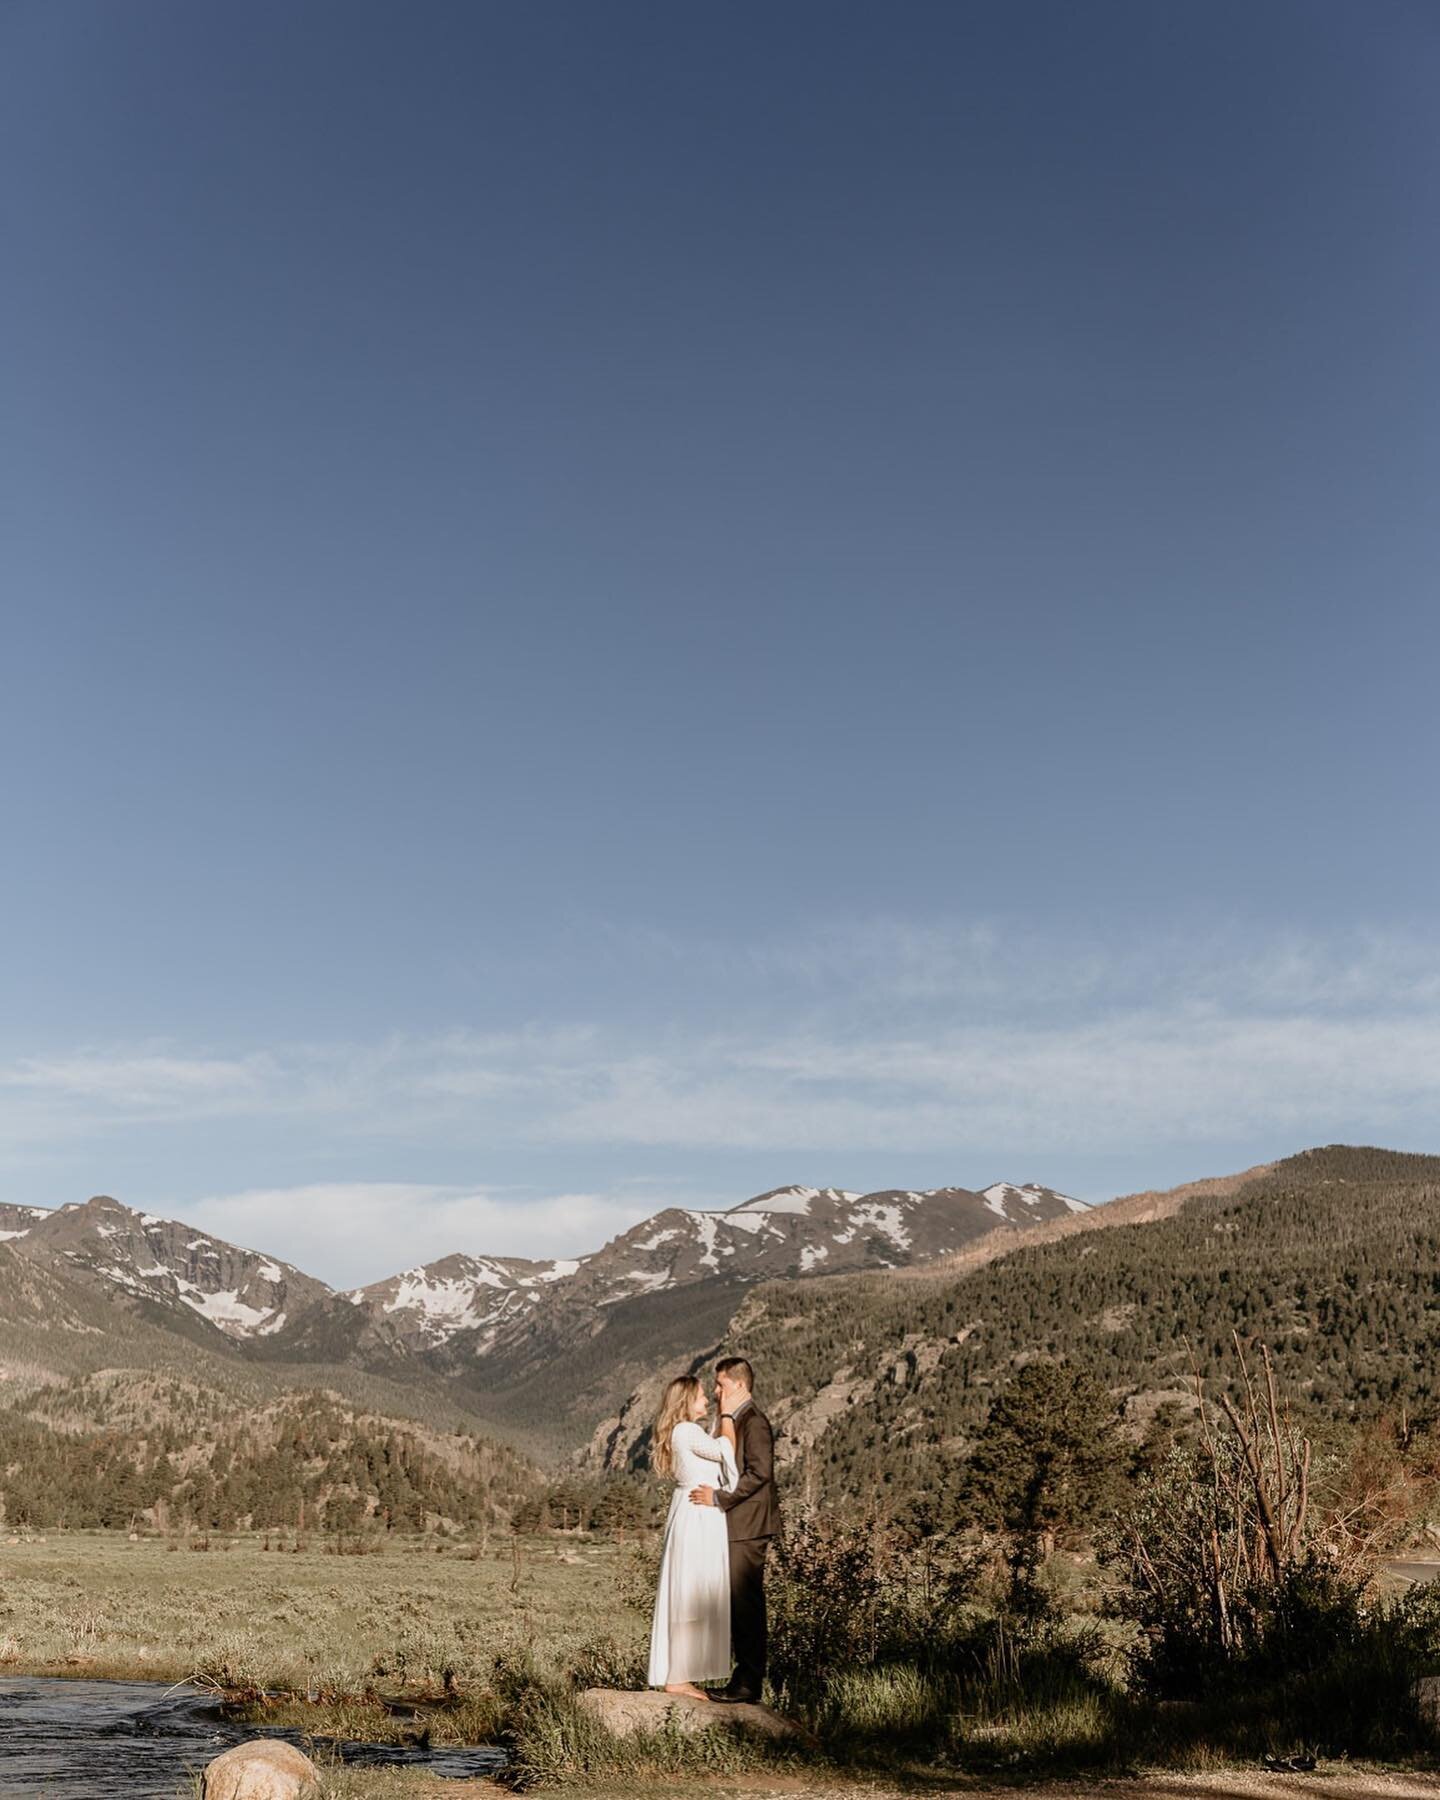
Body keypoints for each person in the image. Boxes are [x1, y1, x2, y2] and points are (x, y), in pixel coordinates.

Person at [688, 1355, 779, 1703]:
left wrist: (720, 1498)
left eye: (720, 1384)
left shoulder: (753, 1421)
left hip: (748, 1524)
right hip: (738, 1524)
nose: (715, 1391)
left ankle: (748, 1684)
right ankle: (742, 1679)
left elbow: (760, 1473)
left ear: (739, 1385)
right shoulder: (737, 1419)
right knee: (738, 1602)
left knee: (747, 1603)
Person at [647, 1374, 738, 1700]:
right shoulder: (686, 1430)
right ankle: (678, 1678)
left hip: (695, 1513)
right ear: (686, 1401)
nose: (707, 1400)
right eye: (701, 1395)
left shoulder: (685, 1432)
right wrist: (727, 1413)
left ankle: (681, 1673)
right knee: (692, 1590)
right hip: (697, 1517)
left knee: (692, 1588)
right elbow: (725, 1449)